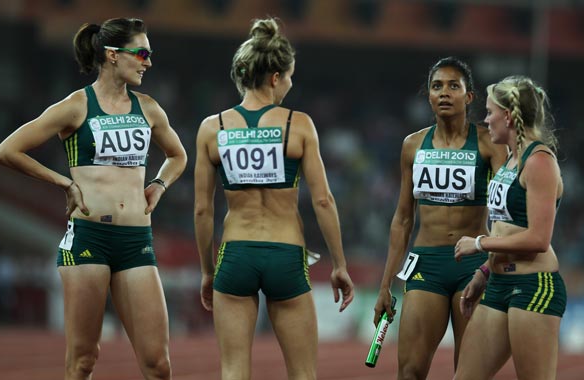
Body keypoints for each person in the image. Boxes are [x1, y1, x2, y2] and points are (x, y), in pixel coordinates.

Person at [0, 18, 187, 380]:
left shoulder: (148, 108)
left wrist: (159, 184)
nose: (148, 62)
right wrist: (64, 183)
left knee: (158, 365)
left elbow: (178, 155)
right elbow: (7, 151)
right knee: (83, 360)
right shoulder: (76, 106)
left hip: (136, 242)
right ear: (113, 55)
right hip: (89, 240)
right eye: (142, 53)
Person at [193, 17, 354, 380]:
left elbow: (203, 209)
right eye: (291, 76)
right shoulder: (298, 124)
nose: (291, 84)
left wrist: (207, 270)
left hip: (236, 254)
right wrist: (339, 265)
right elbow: (324, 200)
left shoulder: (212, 128)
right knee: (303, 374)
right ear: (275, 77)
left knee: (233, 371)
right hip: (285, 253)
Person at [372, 57, 508, 380]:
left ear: (469, 96)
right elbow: (403, 219)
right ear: (429, 96)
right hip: (425, 264)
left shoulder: (489, 144)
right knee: (410, 371)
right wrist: (385, 284)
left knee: (469, 373)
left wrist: (495, 265)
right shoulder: (413, 146)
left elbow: (505, 211)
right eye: (437, 86)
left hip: (472, 264)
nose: (444, 93)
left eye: (453, 86)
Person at [454, 76, 566, 380]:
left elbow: (538, 239)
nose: (486, 119)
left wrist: (479, 244)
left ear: (508, 115)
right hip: (499, 284)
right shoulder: (510, 161)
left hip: (533, 286)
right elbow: (505, 229)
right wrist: (484, 273)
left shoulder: (539, 161)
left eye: (490, 111)